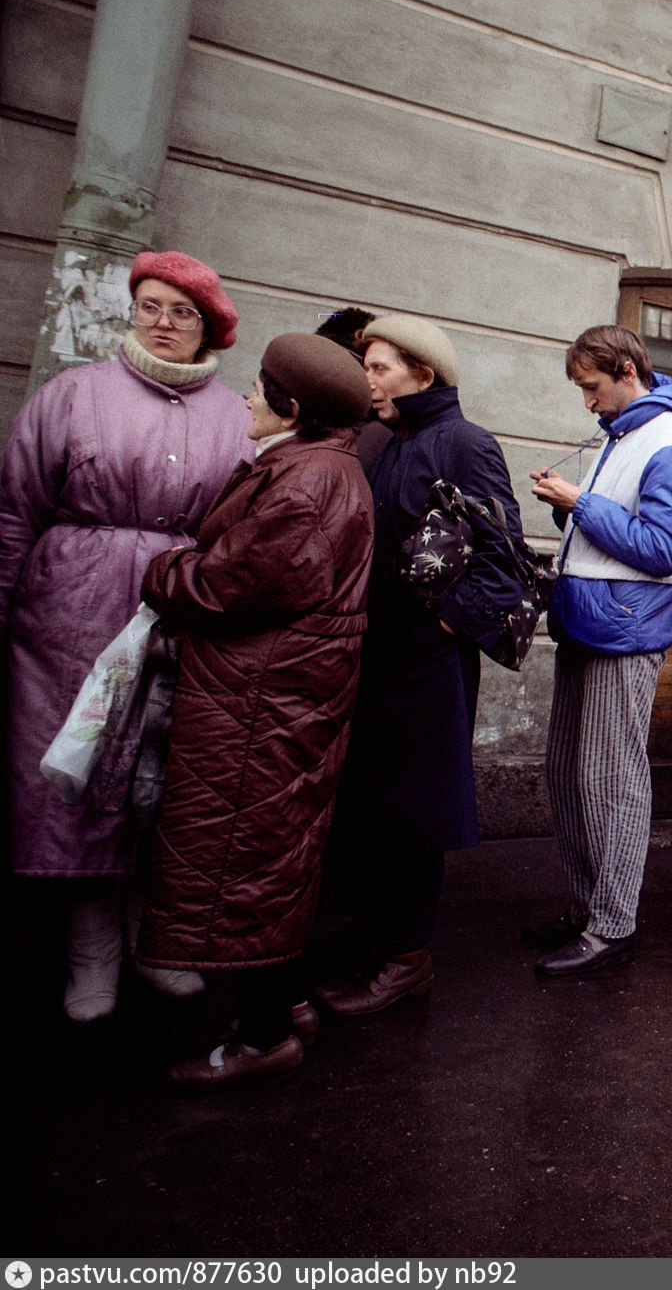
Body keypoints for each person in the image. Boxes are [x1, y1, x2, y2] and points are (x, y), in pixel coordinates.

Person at [0, 250, 253, 1022]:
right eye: (150, 305)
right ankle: (92, 953)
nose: (164, 322)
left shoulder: (236, 414)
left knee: (164, 779)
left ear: (207, 324)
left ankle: (152, 939)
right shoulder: (73, 395)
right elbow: (15, 511)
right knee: (80, 772)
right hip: (71, 616)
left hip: (182, 617)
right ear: (131, 310)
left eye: (182, 311)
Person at [134, 334, 374, 1087]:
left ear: (294, 410)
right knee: (269, 856)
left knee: (248, 862)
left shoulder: (305, 482)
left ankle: (263, 1033)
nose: (246, 397)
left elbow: (227, 584)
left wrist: (163, 567)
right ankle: (282, 1006)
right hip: (273, 698)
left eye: (261, 390)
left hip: (260, 704)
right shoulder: (321, 465)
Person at [314, 315, 524, 1019]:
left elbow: (504, 566)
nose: (366, 379)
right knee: (368, 805)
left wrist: (439, 628)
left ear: (423, 376)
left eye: (379, 367)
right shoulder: (381, 441)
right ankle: (367, 945)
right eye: (365, 366)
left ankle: (408, 960)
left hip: (426, 665)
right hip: (372, 656)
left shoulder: (465, 444)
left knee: (413, 813)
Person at [524, 327, 672, 976]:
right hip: (591, 621)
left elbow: (661, 548)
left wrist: (580, 501)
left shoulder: (670, 441)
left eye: (591, 386)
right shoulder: (627, 433)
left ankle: (612, 923)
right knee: (569, 772)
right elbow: (617, 527)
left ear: (626, 370)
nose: (586, 401)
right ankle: (587, 905)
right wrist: (570, 510)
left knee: (611, 780)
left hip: (623, 629)